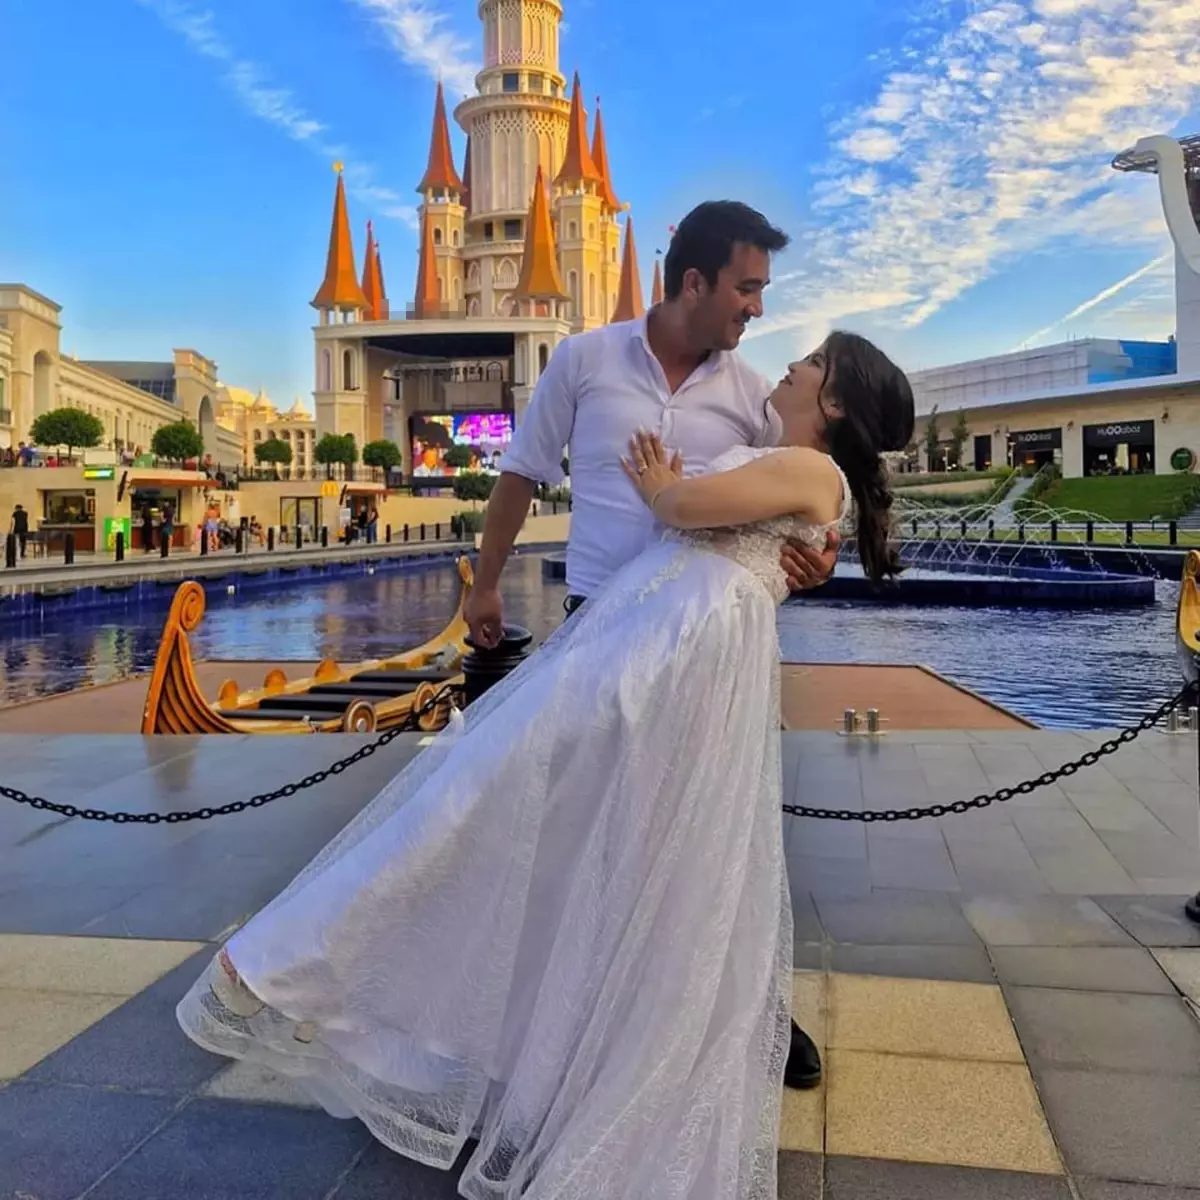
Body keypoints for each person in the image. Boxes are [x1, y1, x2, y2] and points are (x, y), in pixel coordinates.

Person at [176, 326, 913, 1199]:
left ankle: (294, 963)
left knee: (492, 796)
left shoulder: (808, 467)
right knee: (530, 822)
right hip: (644, 641)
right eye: (753, 298)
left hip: (663, 657)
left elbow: (684, 508)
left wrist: (662, 486)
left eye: (814, 363)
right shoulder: (751, 435)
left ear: (835, 402)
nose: (788, 360)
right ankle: (338, 975)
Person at [467, 201, 835, 1089]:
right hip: (598, 629)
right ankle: (574, 1007)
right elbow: (521, 473)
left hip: (703, 647)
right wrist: (484, 582)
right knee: (586, 829)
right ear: (695, 281)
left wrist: (818, 558)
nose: (757, 308)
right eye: (747, 287)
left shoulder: (754, 395)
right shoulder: (585, 360)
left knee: (720, 829)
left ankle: (754, 1006)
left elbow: (800, 493)